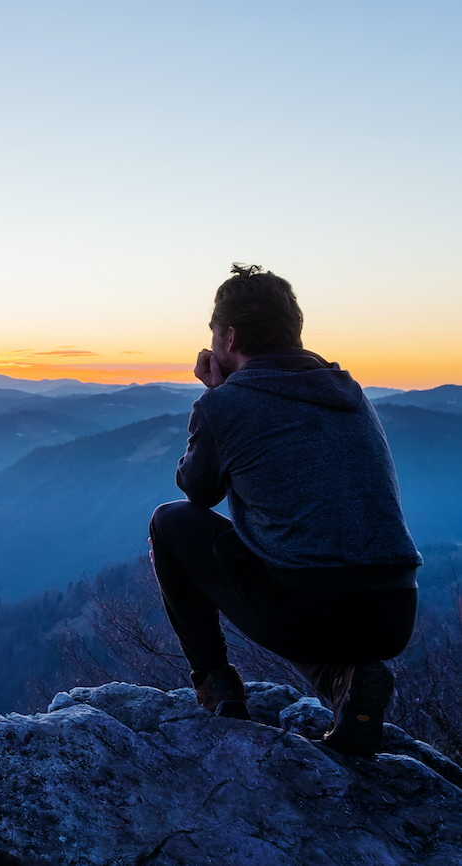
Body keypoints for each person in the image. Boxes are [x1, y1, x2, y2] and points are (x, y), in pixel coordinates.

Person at [148, 263, 420, 756]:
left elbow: (197, 490)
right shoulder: (349, 392)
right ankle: (346, 680)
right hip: (393, 611)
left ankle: (217, 684)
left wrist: (216, 394)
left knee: (170, 522)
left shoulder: (225, 404)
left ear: (228, 337)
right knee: (301, 564)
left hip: (306, 612)